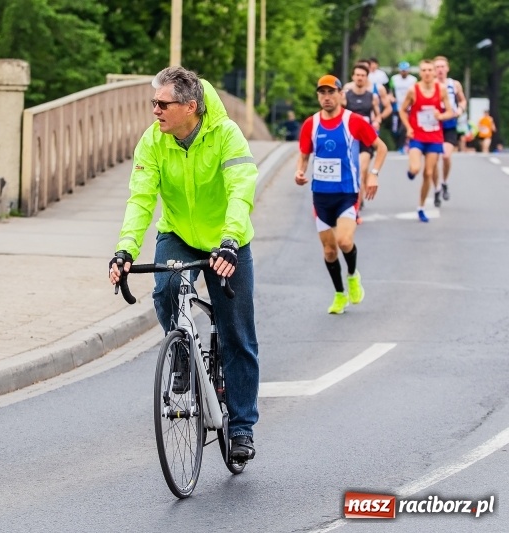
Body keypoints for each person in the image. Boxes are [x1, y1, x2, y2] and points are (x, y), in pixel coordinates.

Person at [108, 66, 260, 462]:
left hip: (227, 240)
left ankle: (241, 426)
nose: (154, 111)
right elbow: (141, 199)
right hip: (178, 233)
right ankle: (180, 351)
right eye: (152, 103)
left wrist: (229, 241)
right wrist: (125, 249)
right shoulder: (153, 142)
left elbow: (241, 191)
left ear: (190, 106)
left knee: (237, 333)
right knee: (167, 288)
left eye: (162, 104)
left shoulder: (226, 135)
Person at [295, 75, 387, 314]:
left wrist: (374, 173)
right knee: (329, 250)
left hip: (347, 193)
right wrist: (300, 171)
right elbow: (304, 154)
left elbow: (381, 147)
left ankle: (353, 276)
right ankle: (339, 294)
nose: (327, 97)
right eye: (322, 93)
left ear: (340, 95)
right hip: (321, 196)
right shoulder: (311, 124)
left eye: (331, 92)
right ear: (318, 96)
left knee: (345, 241)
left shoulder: (353, 122)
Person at [399, 59, 455, 223]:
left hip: (434, 137)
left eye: (430, 70)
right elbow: (402, 110)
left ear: (433, 72)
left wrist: (441, 116)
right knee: (416, 168)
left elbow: (450, 111)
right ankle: (411, 171)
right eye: (424, 70)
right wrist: (408, 127)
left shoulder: (441, 89)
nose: (428, 73)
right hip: (417, 136)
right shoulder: (413, 90)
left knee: (429, 173)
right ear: (420, 73)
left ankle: (421, 207)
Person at [342, 63, 388, 222]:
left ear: (366, 77)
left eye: (363, 75)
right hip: (349, 138)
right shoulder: (346, 96)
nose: (360, 78)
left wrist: (377, 121)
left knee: (361, 171)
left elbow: (378, 114)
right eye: (357, 75)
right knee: (349, 172)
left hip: (365, 139)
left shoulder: (371, 96)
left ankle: (355, 209)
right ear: (353, 77)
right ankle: (347, 201)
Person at [432, 56, 466, 206]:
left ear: (447, 68)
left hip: (449, 125)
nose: (440, 69)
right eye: (437, 67)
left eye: (442, 66)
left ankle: (444, 182)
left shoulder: (454, 84)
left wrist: (460, 109)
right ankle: (437, 189)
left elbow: (463, 100)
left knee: (445, 156)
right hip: (433, 125)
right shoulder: (429, 85)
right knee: (433, 161)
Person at [389, 62, 418, 153]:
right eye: (402, 71)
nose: (404, 72)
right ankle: (399, 143)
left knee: (404, 127)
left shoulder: (413, 80)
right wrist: (391, 97)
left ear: (408, 71)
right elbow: (390, 91)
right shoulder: (394, 79)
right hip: (397, 106)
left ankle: (402, 146)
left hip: (408, 107)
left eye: (405, 71)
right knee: (395, 129)